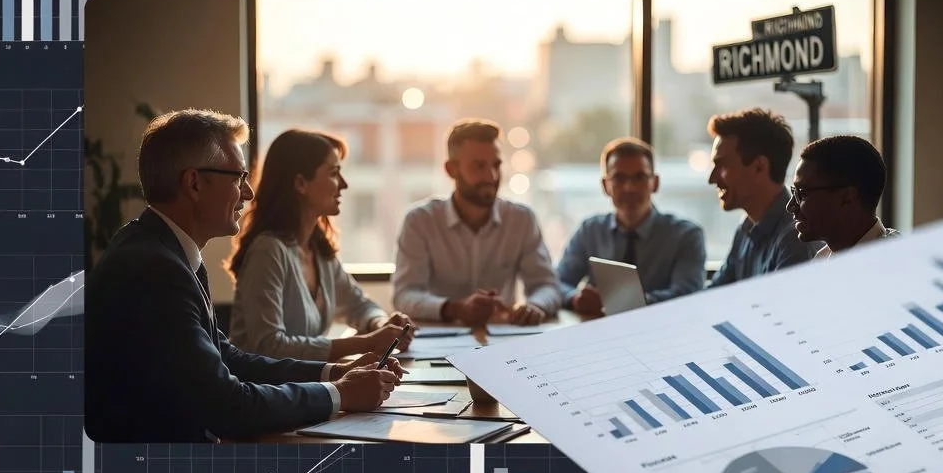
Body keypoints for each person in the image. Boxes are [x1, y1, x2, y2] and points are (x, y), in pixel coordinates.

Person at [84, 109, 402, 443]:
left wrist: (334, 373)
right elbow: (226, 406)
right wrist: (338, 393)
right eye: (238, 178)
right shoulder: (155, 269)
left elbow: (227, 357)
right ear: (194, 183)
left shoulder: (166, 250)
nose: (248, 193)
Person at [227, 129, 414, 361]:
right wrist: (366, 342)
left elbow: (359, 305)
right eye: (334, 173)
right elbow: (269, 345)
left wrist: (381, 323)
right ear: (301, 183)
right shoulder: (268, 251)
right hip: (265, 392)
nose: (343, 184)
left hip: (305, 387)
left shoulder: (318, 250)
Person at [392, 119, 563, 326]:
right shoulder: (419, 221)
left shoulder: (521, 219)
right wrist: (455, 309)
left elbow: (548, 286)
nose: (491, 176)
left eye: (496, 165)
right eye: (479, 166)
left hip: (503, 339)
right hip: (440, 339)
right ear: (451, 170)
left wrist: (535, 306)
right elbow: (404, 294)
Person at [556, 137, 705, 316]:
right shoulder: (590, 230)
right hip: (600, 333)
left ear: (655, 183)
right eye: (619, 178)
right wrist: (575, 298)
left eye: (639, 177)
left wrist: (620, 304)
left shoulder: (686, 235)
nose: (629, 188)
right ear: (605, 185)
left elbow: (687, 295)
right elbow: (557, 282)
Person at [706, 108, 820, 287]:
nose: (712, 178)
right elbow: (714, 297)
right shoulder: (746, 228)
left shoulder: (795, 240)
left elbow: (778, 313)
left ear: (759, 166)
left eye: (722, 166)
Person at [787, 135, 900, 258]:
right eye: (794, 192)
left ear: (848, 197)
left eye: (802, 193)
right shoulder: (823, 258)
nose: (790, 206)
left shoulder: (896, 264)